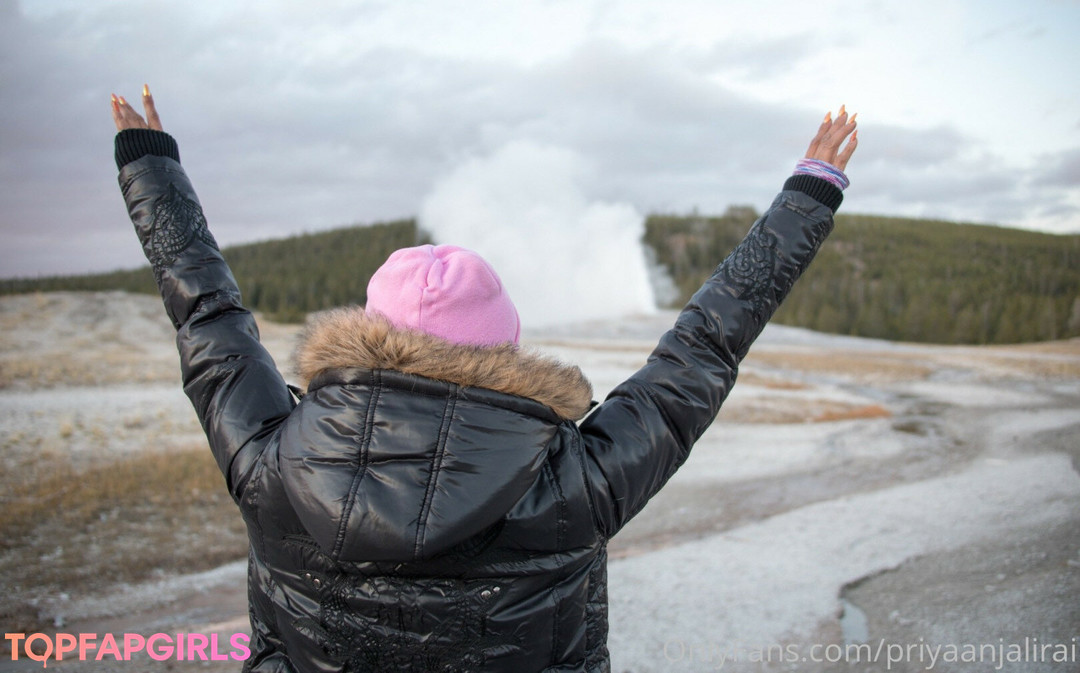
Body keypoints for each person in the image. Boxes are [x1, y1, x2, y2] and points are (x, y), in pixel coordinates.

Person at [111, 85, 856, 673]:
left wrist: (151, 169)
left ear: (365, 332)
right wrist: (808, 193)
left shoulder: (273, 460)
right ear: (504, 349)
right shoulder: (572, 481)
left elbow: (208, 318)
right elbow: (701, 351)